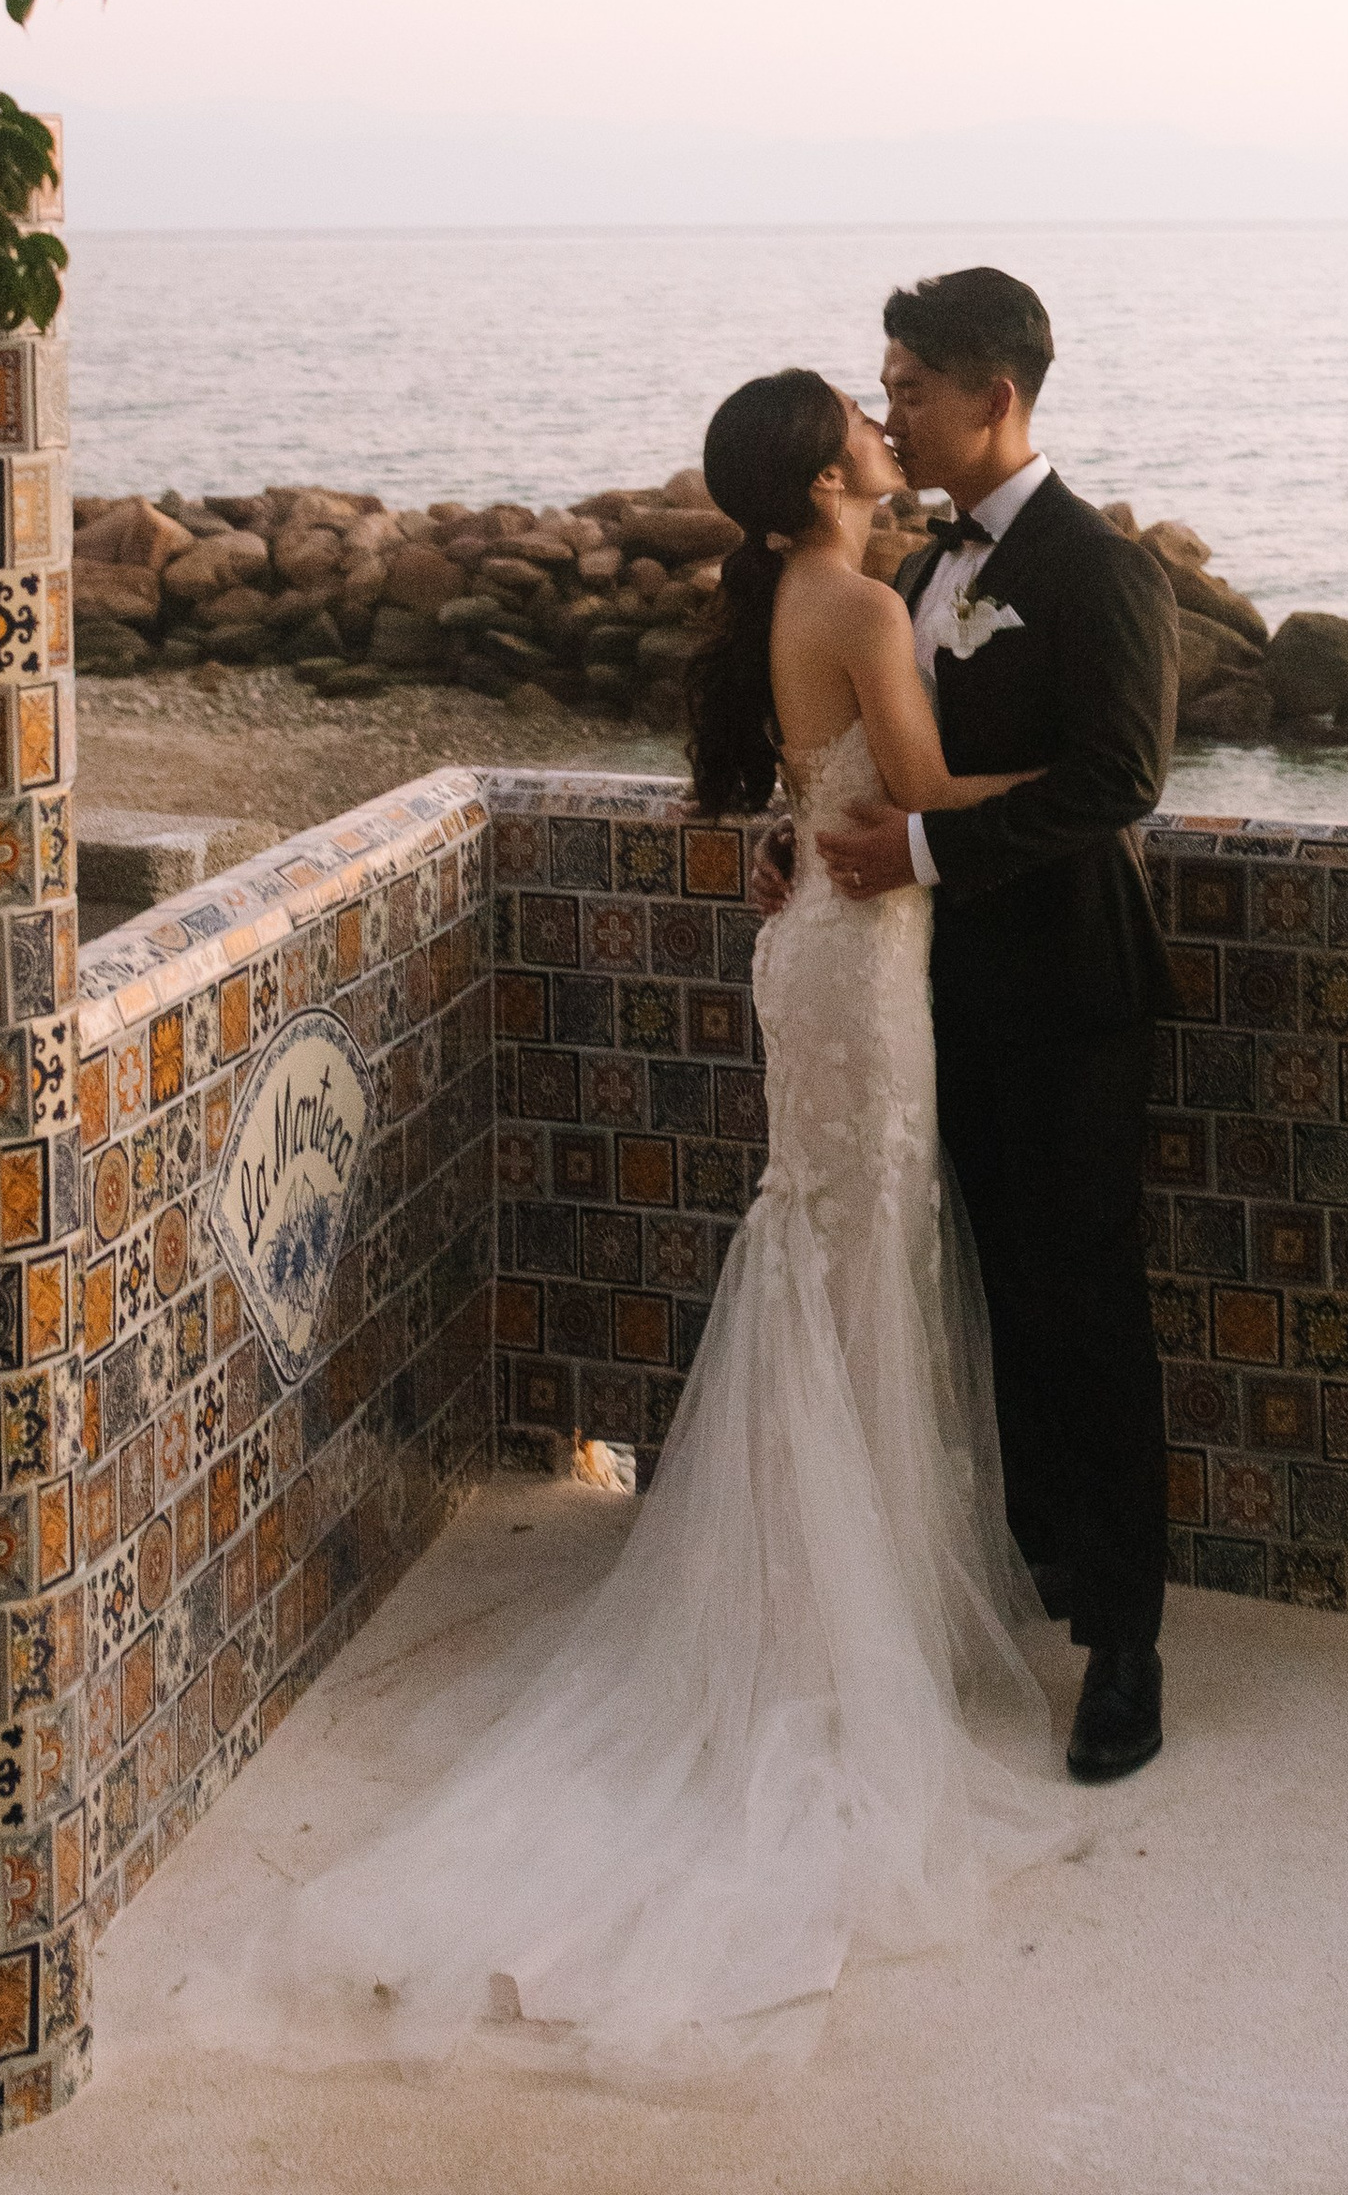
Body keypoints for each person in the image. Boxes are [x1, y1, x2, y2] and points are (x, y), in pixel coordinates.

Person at [194, 367, 1075, 2090]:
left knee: (824, 1249)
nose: (887, 433)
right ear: (830, 468)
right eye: (864, 419)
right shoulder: (860, 595)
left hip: (815, 945)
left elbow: (817, 795)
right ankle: (840, 1635)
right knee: (853, 1251)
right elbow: (916, 787)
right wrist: (1087, 773)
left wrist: (842, 834)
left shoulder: (788, 595)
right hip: (857, 967)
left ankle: (826, 1608)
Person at [778, 266, 1182, 1787]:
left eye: (909, 389)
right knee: (988, 1289)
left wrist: (927, 853)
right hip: (932, 995)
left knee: (1084, 1304)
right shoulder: (923, 564)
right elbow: (889, 751)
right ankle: (1039, 1562)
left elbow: (1119, 780)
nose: (889, 413)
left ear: (992, 396)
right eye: (886, 388)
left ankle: (1128, 1644)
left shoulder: (1101, 569)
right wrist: (812, 834)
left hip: (1071, 999)